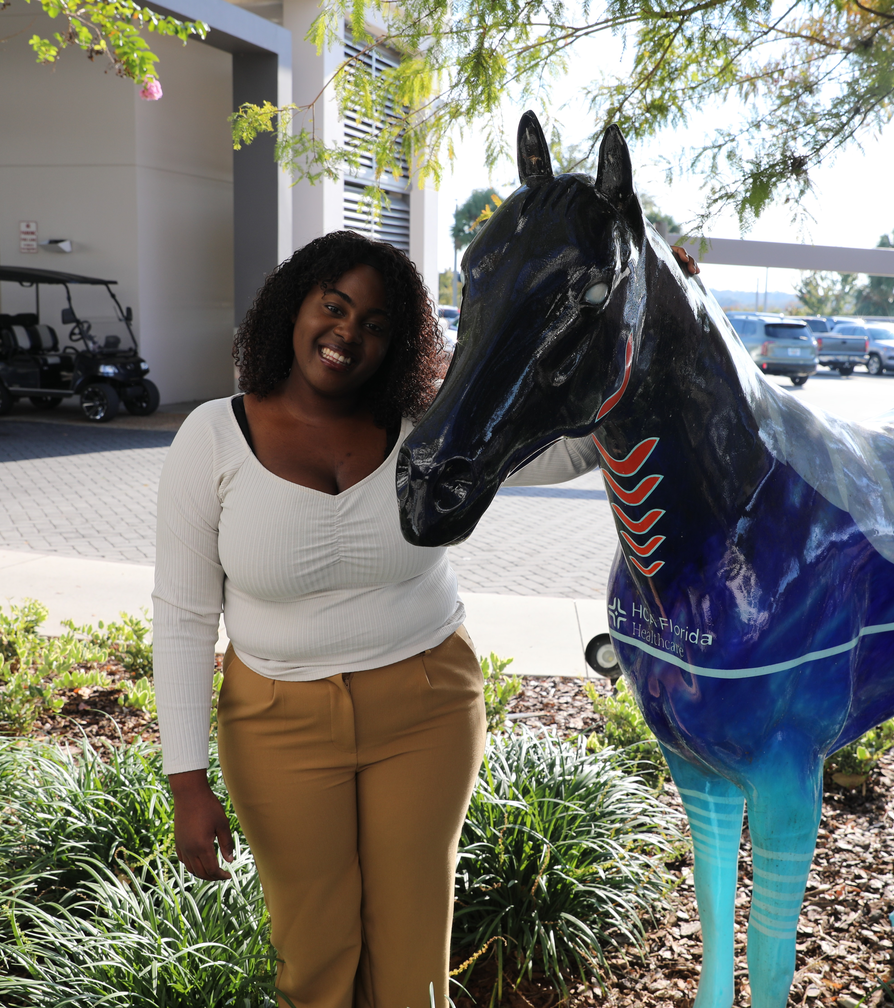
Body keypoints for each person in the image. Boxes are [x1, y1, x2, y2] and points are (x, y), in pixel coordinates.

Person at [152, 230, 594, 1008]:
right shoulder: (213, 437)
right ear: (295, 307)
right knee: (313, 947)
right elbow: (184, 616)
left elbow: (558, 451)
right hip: (277, 720)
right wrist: (188, 782)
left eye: (378, 323)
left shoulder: (426, 423)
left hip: (427, 705)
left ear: (401, 343)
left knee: (413, 945)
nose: (349, 332)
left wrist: (643, 322)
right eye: (335, 306)